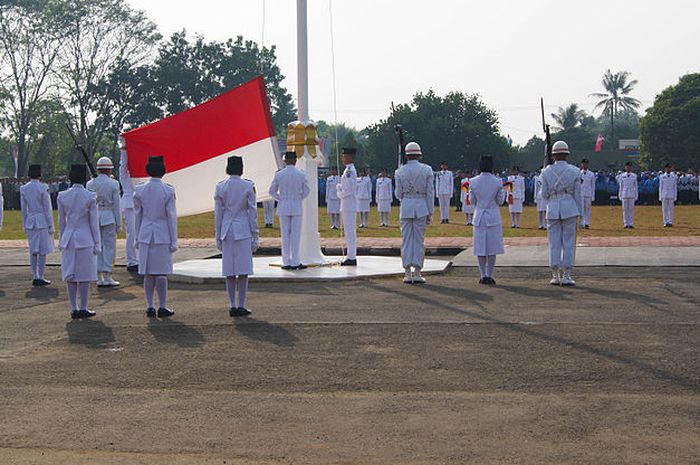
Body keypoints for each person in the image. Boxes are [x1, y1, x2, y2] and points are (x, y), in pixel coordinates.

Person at [215, 156, 259, 317]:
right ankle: (241, 304)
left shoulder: (221, 186)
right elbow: (252, 213)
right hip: (242, 229)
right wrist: (256, 234)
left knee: (230, 270)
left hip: (226, 229)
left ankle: (232, 304)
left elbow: (218, 214)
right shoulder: (248, 185)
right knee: (243, 270)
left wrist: (217, 235)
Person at [134, 156, 177, 318]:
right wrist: (174, 240)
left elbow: (137, 216)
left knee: (148, 273)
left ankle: (150, 305)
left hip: (145, 233)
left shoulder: (140, 189)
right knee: (161, 273)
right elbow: (171, 217)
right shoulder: (168, 190)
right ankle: (163, 305)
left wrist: (137, 237)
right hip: (161, 234)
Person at [58, 164, 100, 319]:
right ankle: (83, 307)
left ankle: (74, 307)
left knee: (70, 274)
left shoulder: (62, 195)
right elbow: (93, 223)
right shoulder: (90, 196)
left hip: (68, 237)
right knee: (84, 275)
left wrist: (61, 239)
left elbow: (61, 221)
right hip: (85, 237)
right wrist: (97, 243)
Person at [540, 141, 582, 286]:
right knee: (569, 242)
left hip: (552, 208)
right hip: (569, 207)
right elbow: (578, 196)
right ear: (567, 154)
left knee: (554, 242)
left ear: (553, 155)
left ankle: (555, 274)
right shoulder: (575, 171)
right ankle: (567, 274)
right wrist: (581, 215)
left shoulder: (546, 171)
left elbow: (544, 194)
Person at [395, 142, 434, 284]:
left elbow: (398, 194)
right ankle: (417, 272)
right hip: (421, 205)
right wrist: (430, 212)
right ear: (419, 154)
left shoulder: (399, 171)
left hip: (406, 205)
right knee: (419, 240)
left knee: (406, 240)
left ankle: (406, 272)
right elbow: (430, 193)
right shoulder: (427, 170)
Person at [269, 151, 310, 270]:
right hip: (296, 205)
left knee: (285, 235)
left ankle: (286, 261)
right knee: (295, 235)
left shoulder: (279, 174)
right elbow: (307, 191)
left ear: (285, 160)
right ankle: (295, 261)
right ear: (295, 160)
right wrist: (298, 198)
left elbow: (271, 191)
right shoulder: (301, 174)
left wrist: (281, 198)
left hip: (283, 206)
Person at [469, 156, 506, 285]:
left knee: (480, 248)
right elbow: (501, 201)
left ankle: (482, 275)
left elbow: (472, 201)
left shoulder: (473, 182)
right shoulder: (498, 182)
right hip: (493, 216)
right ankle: (489, 275)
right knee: (491, 248)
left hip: (479, 216)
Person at [87, 156, 122, 287]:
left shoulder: (90, 183)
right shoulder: (114, 183)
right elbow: (117, 205)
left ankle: (98, 276)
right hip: (108, 216)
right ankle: (107, 275)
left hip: (95, 216)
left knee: (97, 246)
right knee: (108, 247)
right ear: (109, 170)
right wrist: (119, 224)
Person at [20, 164, 54, 286]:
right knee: (42, 250)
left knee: (33, 250)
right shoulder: (43, 187)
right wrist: (51, 225)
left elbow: (24, 209)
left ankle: (35, 275)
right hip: (42, 220)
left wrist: (24, 224)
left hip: (30, 220)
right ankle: (40, 275)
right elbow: (47, 208)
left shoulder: (24, 188)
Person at [118, 138, 139, 272]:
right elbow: (122, 167)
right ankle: (132, 261)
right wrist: (124, 150)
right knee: (132, 234)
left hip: (140, 204)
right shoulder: (125, 175)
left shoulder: (138, 173)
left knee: (141, 234)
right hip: (130, 204)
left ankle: (140, 259)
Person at [336, 148, 358, 266]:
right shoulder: (347, 170)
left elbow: (349, 189)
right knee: (348, 231)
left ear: (349, 157)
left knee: (350, 231)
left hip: (348, 204)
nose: (342, 158)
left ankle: (351, 256)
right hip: (347, 204)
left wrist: (339, 192)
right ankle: (350, 255)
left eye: (344, 156)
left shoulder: (350, 171)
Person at [617, 162, 638, 229]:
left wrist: (636, 195)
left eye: (630, 167)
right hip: (624, 194)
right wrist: (620, 195)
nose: (628, 168)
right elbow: (621, 186)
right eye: (627, 167)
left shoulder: (634, 176)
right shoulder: (622, 176)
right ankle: (626, 223)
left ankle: (631, 223)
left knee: (631, 209)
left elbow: (635, 187)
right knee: (625, 210)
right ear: (625, 167)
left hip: (632, 194)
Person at [580, 158, 595, 229]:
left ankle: (587, 223)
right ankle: (582, 223)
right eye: (583, 164)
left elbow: (593, 186)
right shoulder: (579, 174)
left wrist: (593, 196)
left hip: (588, 194)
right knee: (581, 209)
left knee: (588, 209)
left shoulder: (591, 174)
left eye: (586, 164)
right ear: (581, 165)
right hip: (581, 194)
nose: (585, 165)